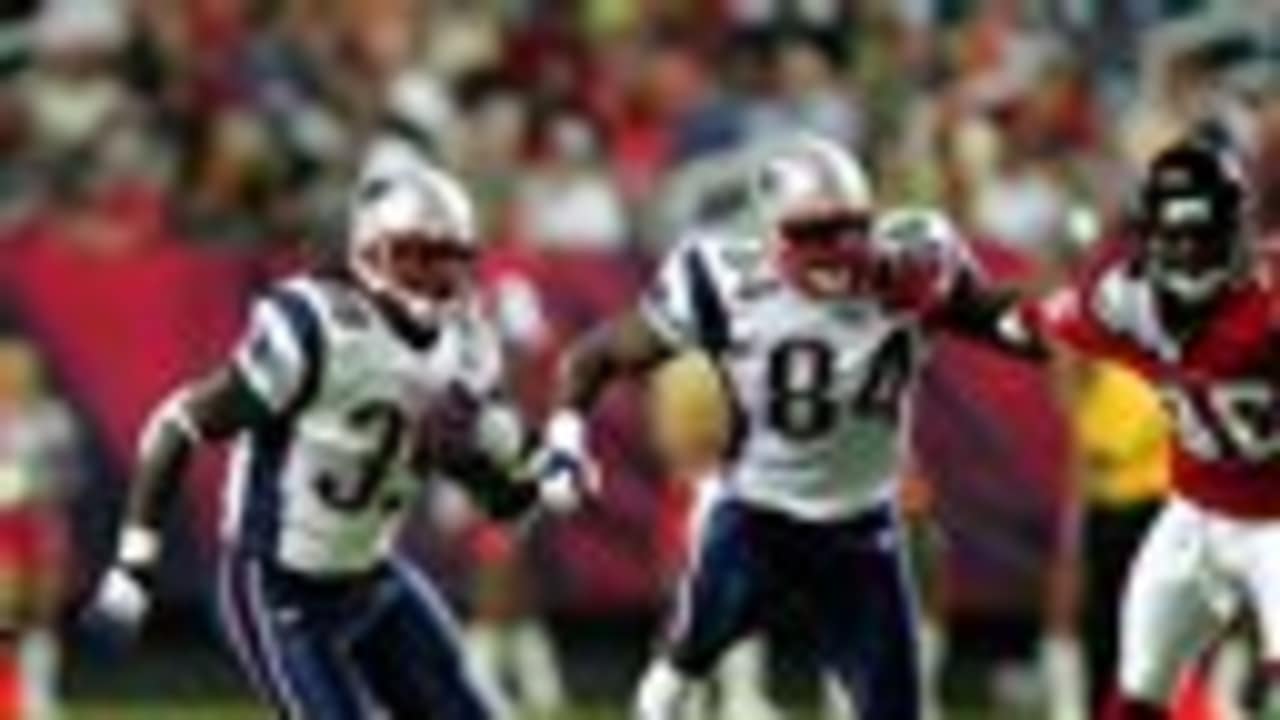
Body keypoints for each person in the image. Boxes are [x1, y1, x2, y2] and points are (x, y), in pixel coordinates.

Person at [84, 149, 590, 719]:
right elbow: (175, 425)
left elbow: (503, 497)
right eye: (416, 257)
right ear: (369, 253)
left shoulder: (468, 346)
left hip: (372, 576)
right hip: (277, 585)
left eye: (448, 260)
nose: (434, 277)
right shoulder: (315, 332)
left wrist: (508, 476)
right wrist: (133, 566)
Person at [533, 133, 978, 720]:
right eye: (815, 234)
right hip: (756, 511)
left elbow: (997, 312)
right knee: (684, 659)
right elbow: (597, 357)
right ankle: (694, 692)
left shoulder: (904, 269)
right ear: (769, 238)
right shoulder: (721, 282)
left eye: (849, 228)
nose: (838, 250)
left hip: (860, 517)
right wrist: (564, 439)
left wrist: (1031, 317)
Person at [880, 133, 1280, 720]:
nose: (1190, 255)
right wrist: (938, 302)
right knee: (1139, 685)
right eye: (1177, 239)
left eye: (1204, 237)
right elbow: (1023, 324)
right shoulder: (1128, 298)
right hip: (1192, 513)